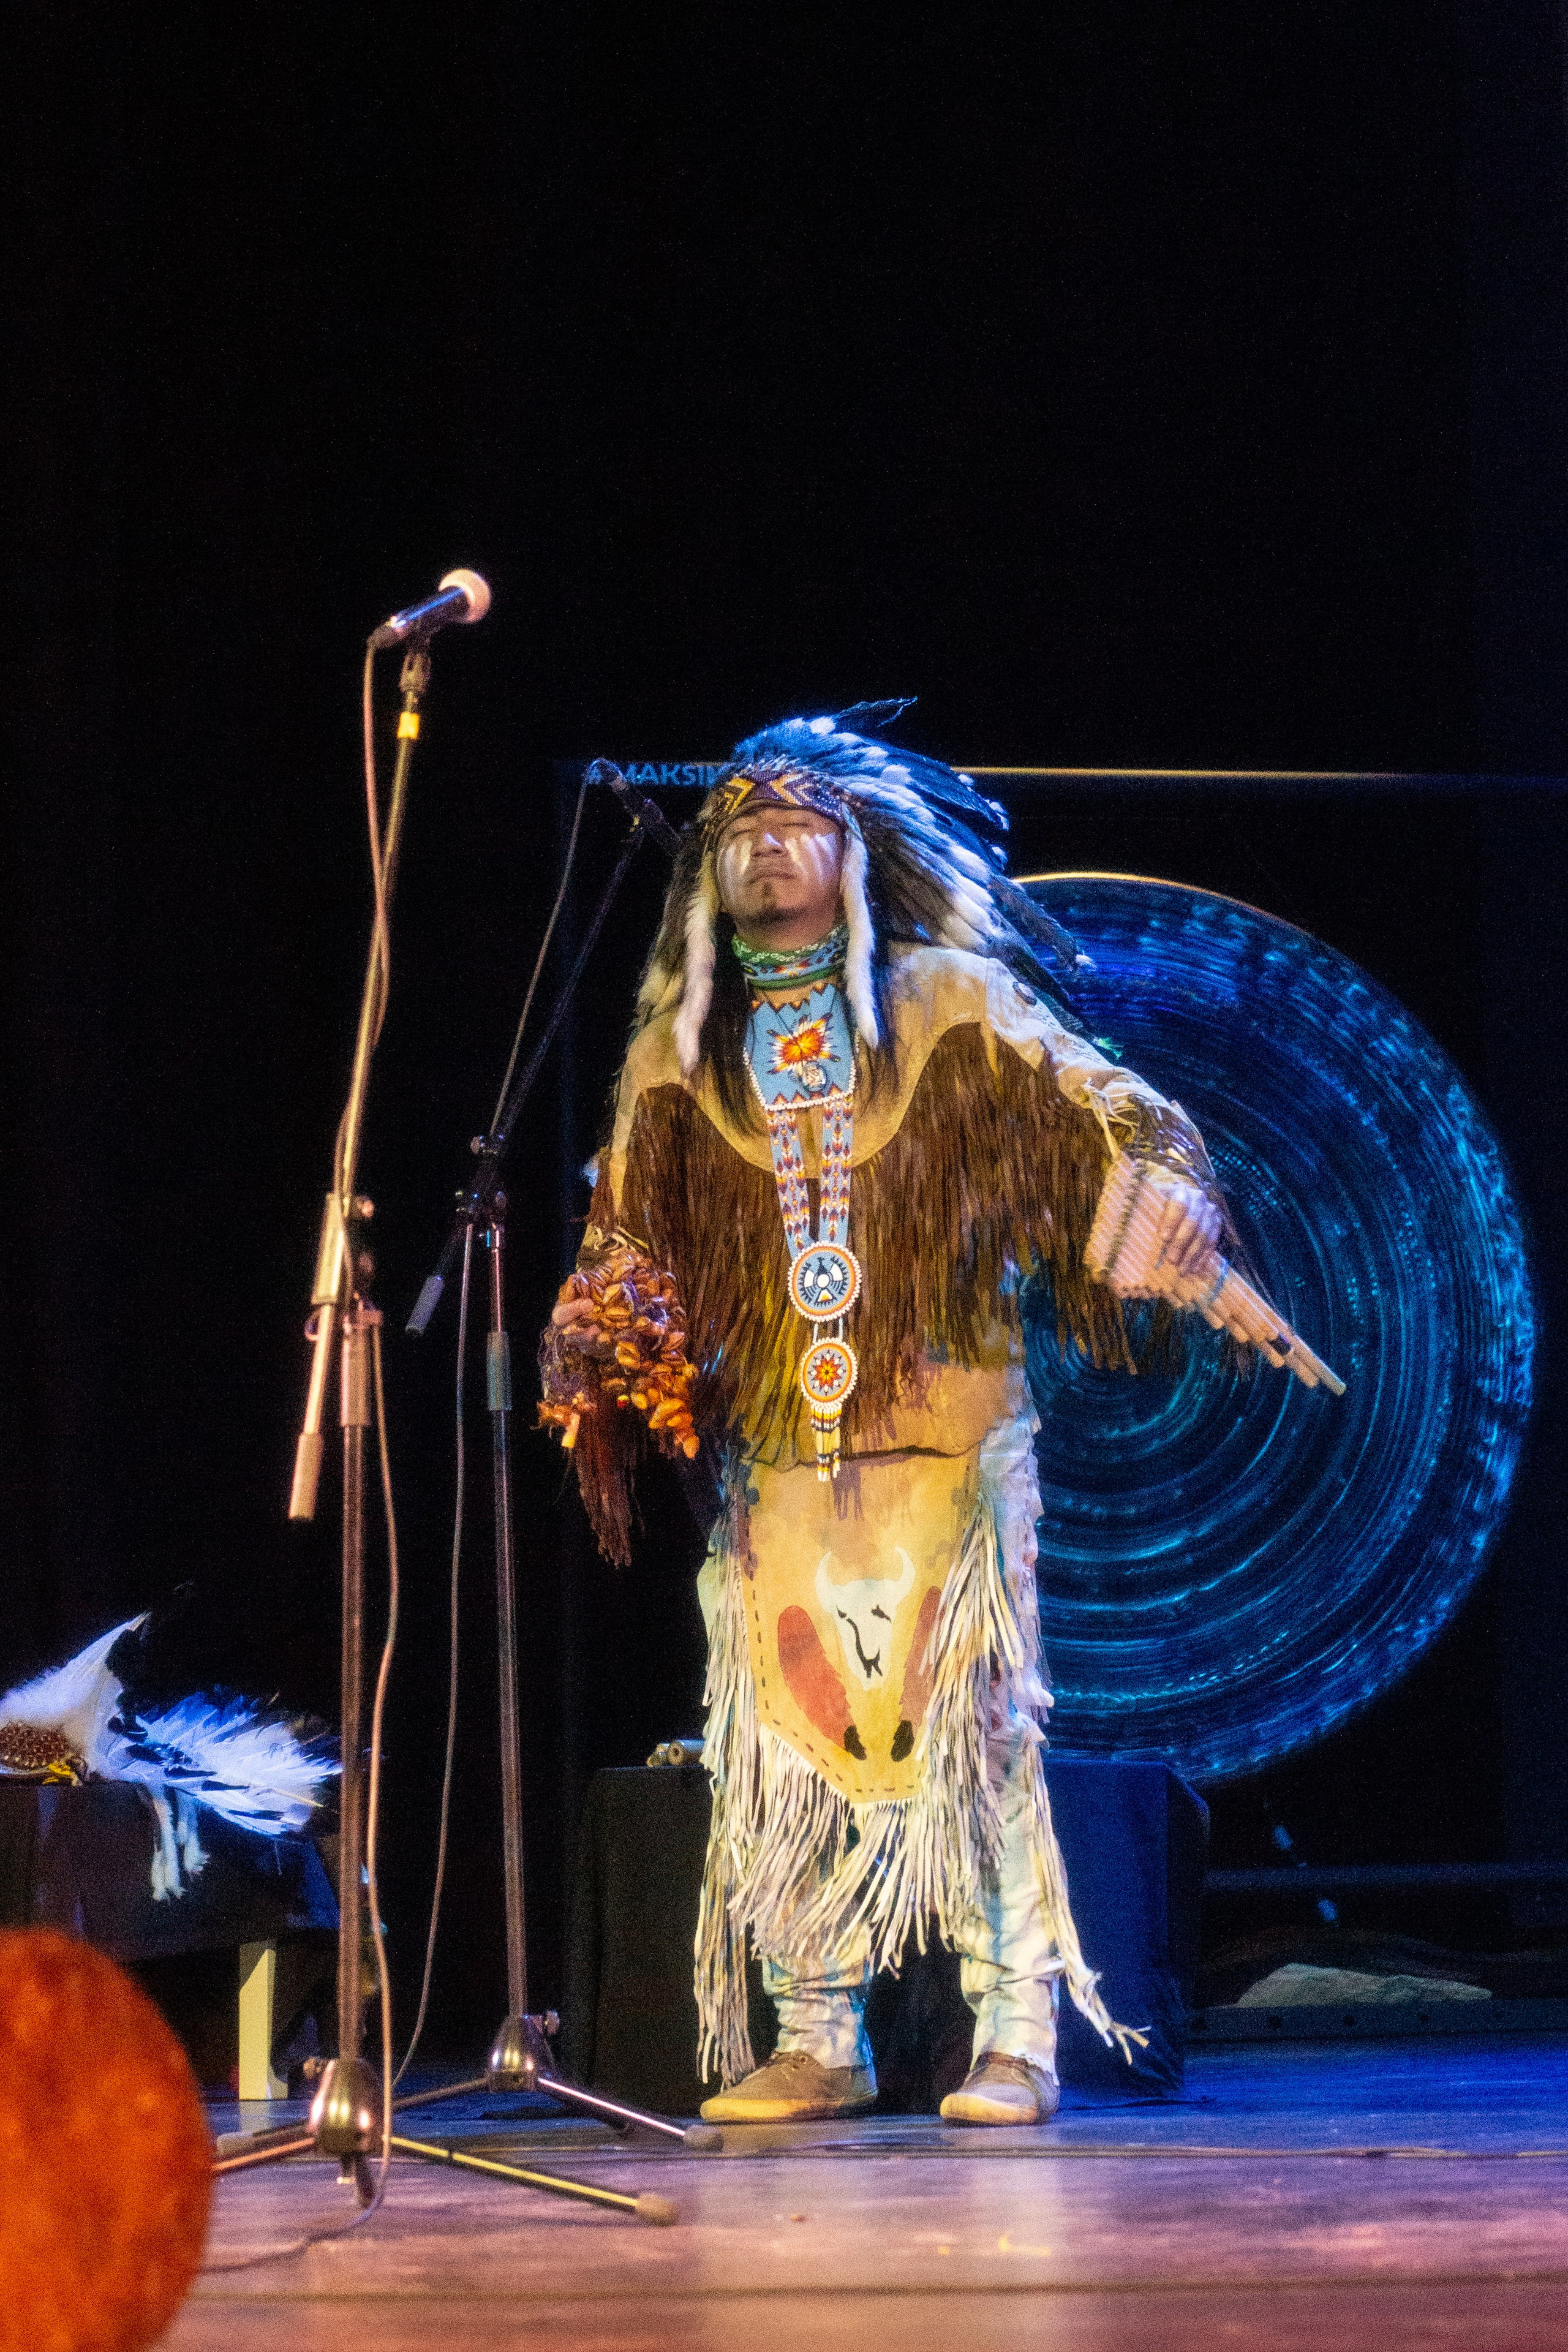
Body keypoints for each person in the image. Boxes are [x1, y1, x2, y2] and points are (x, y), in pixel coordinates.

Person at [540, 707, 1227, 2125]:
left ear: (856, 856)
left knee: (974, 1733)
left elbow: (1118, 1116)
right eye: (738, 832)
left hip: (947, 1437)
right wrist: (599, 1319)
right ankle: (817, 2035)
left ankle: (1013, 2036)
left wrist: (1163, 1186)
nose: (764, 849)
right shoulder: (681, 1053)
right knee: (786, 1740)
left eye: (796, 826)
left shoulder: (949, 1001)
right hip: (780, 1451)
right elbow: (628, 1239)